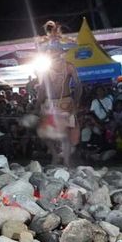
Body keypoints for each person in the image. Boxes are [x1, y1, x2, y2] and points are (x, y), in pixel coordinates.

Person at [36, 21, 82, 166]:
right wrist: (37, 104)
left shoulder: (69, 66)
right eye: (50, 51)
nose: (52, 52)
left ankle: (67, 161)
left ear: (61, 52)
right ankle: (55, 157)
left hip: (66, 101)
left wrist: (76, 102)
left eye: (55, 50)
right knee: (44, 133)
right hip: (50, 103)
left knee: (65, 134)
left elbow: (79, 86)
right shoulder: (46, 69)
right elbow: (43, 88)